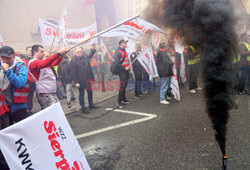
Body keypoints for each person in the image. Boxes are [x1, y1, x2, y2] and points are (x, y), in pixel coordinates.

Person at [0, 45, 30, 169]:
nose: (5, 61)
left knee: (23, 136)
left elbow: (21, 83)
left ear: (13, 56)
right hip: (4, 109)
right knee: (7, 138)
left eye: (7, 58)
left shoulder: (20, 66)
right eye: (2, 58)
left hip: (18, 108)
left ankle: (28, 158)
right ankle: (11, 161)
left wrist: (8, 71)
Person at [28, 44, 68, 109]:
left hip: (51, 92)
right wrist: (57, 54)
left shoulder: (41, 62)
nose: (44, 53)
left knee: (56, 111)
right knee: (52, 113)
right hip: (45, 93)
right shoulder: (33, 63)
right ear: (35, 52)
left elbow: (54, 63)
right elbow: (44, 63)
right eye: (42, 51)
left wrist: (61, 56)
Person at [71, 45, 98, 114]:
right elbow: (73, 73)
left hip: (87, 78)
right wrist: (76, 82)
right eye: (77, 52)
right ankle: (83, 108)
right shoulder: (73, 61)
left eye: (80, 52)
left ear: (82, 52)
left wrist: (93, 49)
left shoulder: (85, 57)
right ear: (75, 53)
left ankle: (91, 105)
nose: (79, 53)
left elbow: (91, 55)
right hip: (80, 80)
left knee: (90, 92)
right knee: (81, 94)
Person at [115, 39, 130, 108]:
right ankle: (119, 102)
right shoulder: (118, 52)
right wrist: (124, 68)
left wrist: (128, 69)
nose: (126, 43)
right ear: (121, 44)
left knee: (125, 85)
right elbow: (116, 64)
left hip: (126, 71)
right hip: (122, 71)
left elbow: (126, 61)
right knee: (122, 86)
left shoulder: (125, 51)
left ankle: (124, 99)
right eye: (125, 42)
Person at [21, 46, 36, 113]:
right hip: (29, 81)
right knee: (29, 96)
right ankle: (29, 109)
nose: (31, 51)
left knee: (41, 95)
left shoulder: (35, 59)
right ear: (26, 51)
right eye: (29, 50)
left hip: (37, 80)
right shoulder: (23, 60)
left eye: (32, 50)